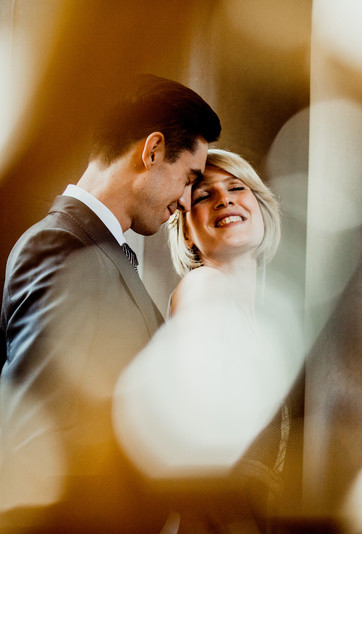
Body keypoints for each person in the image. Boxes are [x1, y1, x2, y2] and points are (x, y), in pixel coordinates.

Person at [0, 74, 221, 532]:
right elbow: (33, 437)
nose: (185, 200)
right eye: (189, 177)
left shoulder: (99, 249)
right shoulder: (58, 247)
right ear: (153, 150)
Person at [113, 148, 296, 532]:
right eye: (203, 195)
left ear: (261, 208)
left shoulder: (256, 323)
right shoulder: (205, 286)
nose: (224, 199)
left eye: (235, 188)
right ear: (188, 232)